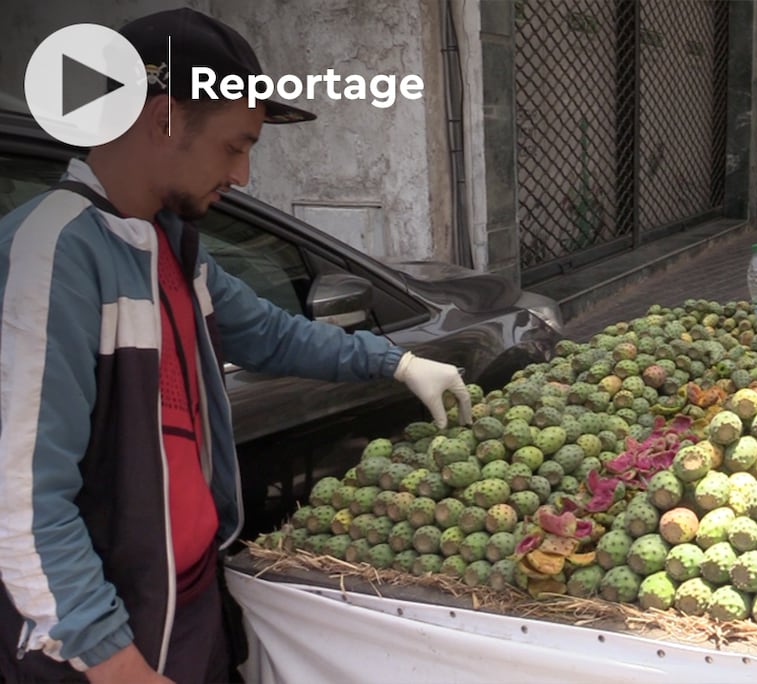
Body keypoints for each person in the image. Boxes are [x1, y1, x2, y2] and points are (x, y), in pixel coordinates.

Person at [0, 8, 471, 684]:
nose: (245, 176)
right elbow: (24, 501)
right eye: (234, 146)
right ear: (162, 119)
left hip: (190, 606)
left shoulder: (171, 244)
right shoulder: (54, 255)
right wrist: (112, 661)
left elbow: (270, 336)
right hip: (102, 643)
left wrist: (394, 361)